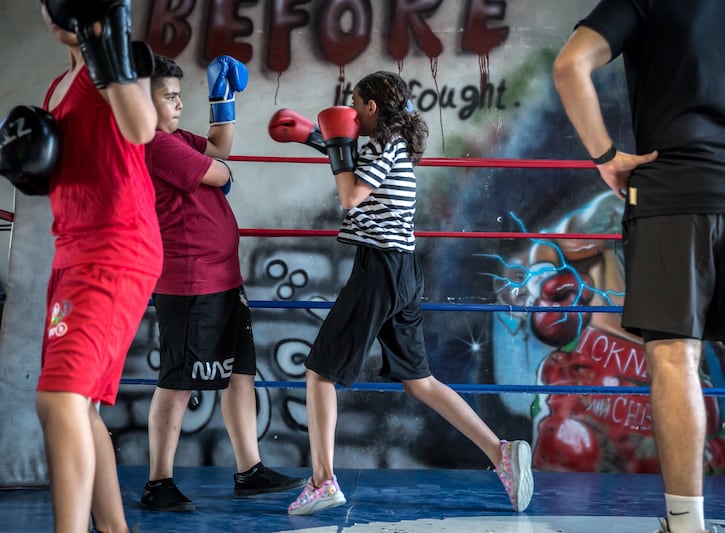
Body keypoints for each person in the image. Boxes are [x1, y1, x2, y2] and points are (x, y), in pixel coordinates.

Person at [552, 2, 725, 532]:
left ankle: (686, 525)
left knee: (673, 358)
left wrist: (606, 157)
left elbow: (569, 65)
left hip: (670, 192)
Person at [277, 71, 534, 516]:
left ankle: (323, 481)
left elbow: (350, 194)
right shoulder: (393, 142)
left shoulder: (381, 143)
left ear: (372, 107)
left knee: (320, 372)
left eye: (356, 103)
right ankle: (501, 453)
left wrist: (334, 144)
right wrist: (313, 138)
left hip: (378, 268)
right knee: (420, 382)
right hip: (402, 270)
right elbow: (359, 170)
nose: (353, 111)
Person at [139, 55, 304, 512]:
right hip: (190, 280)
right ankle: (158, 482)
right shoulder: (154, 144)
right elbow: (220, 171)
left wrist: (222, 99)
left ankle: (249, 470)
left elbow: (218, 150)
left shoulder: (174, 138)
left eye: (178, 94)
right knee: (177, 381)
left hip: (221, 275)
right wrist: (221, 175)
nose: (177, 103)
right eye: (168, 96)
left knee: (239, 373)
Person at [31, 1, 162, 531]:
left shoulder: (111, 64)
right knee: (79, 407)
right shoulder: (55, 91)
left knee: (59, 398)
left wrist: (101, 43)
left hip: (115, 248)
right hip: (73, 253)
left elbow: (141, 126)